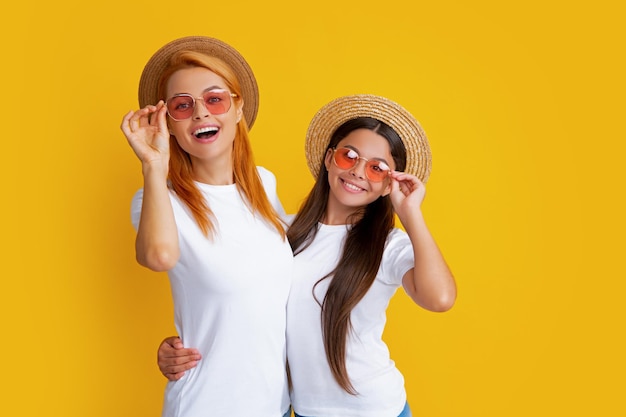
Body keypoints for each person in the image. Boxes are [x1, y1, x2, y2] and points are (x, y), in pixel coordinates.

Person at [157, 94, 457, 417]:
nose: (357, 171)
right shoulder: (281, 233)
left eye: (376, 168)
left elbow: (439, 298)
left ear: (388, 185)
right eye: (349, 156)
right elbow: (232, 289)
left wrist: (411, 214)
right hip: (303, 410)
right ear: (329, 159)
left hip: (376, 409)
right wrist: (180, 346)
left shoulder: (386, 245)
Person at [120, 36, 293, 417]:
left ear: (237, 108)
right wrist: (153, 164)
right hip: (208, 406)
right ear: (168, 123)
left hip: (276, 406)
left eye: (214, 99)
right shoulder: (158, 199)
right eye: (183, 106)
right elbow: (159, 256)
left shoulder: (264, 185)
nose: (201, 113)